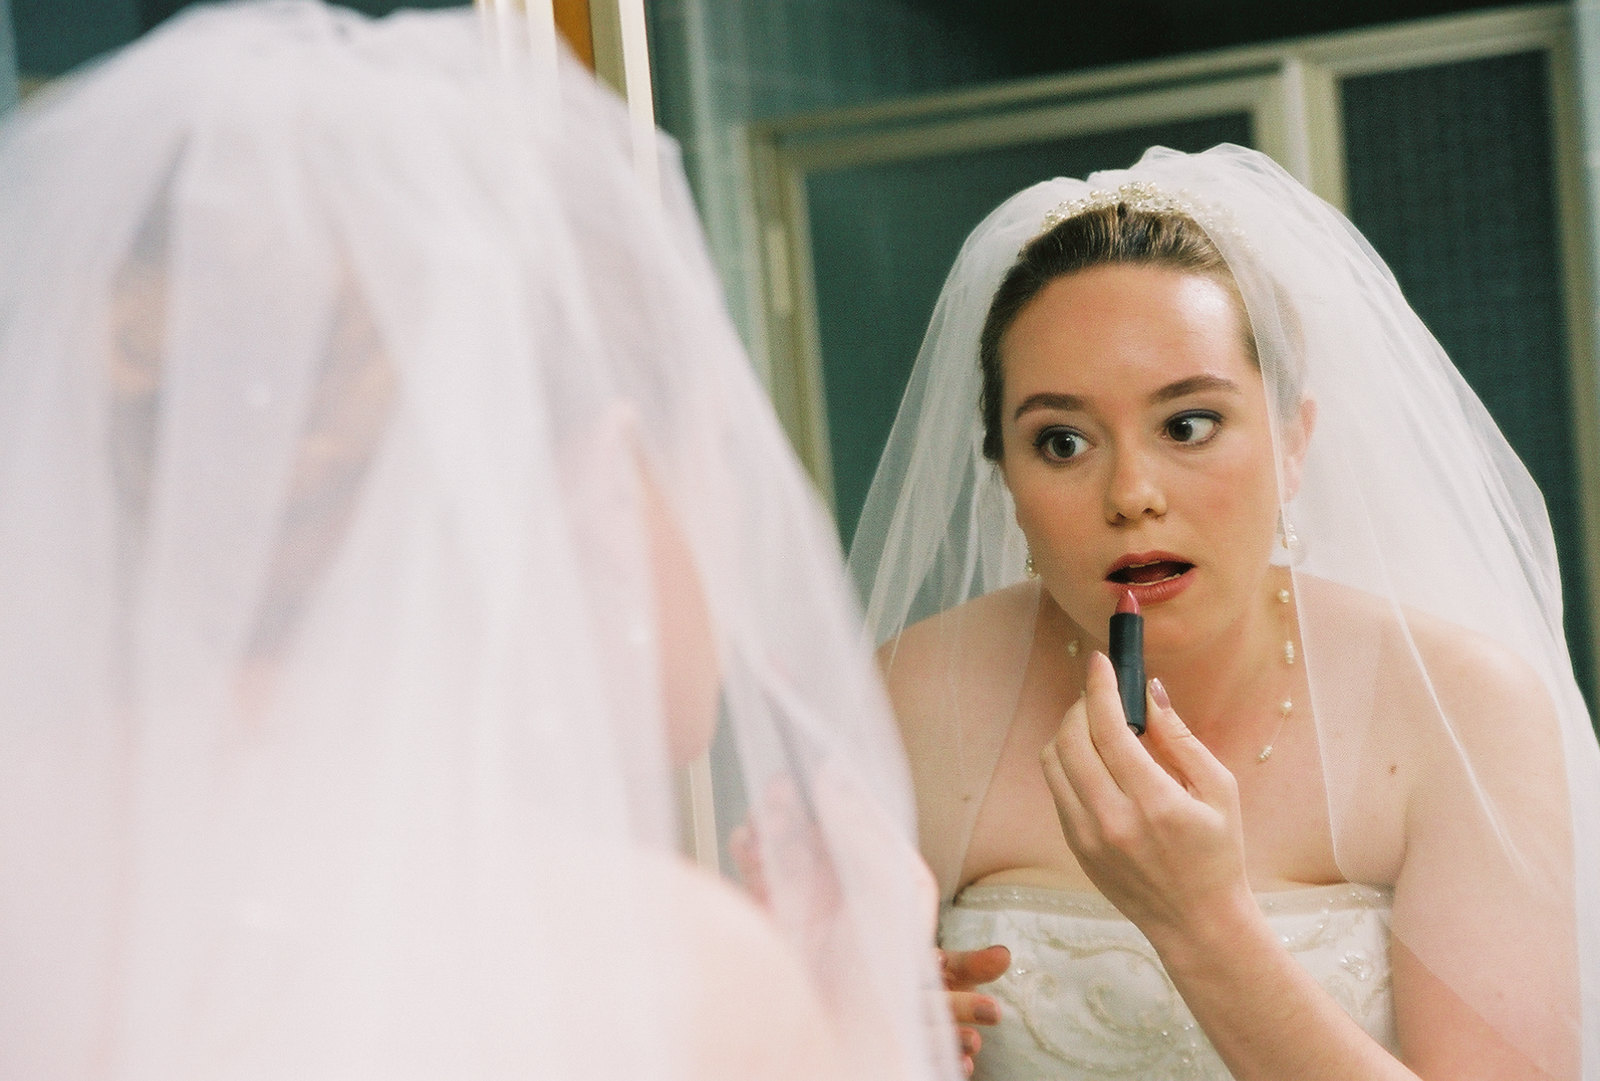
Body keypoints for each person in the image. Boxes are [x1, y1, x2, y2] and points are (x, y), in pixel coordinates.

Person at [0, 4, 958, 1078]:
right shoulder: (653, 975)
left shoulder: (34, 880)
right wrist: (867, 1015)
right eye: (721, 453)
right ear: (604, 484)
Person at [850, 144, 1600, 1080]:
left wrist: (1200, 922)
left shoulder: (1464, 709)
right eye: (1063, 440)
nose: (1132, 493)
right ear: (1005, 480)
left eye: (1189, 424)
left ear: (1292, 442)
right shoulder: (915, 694)